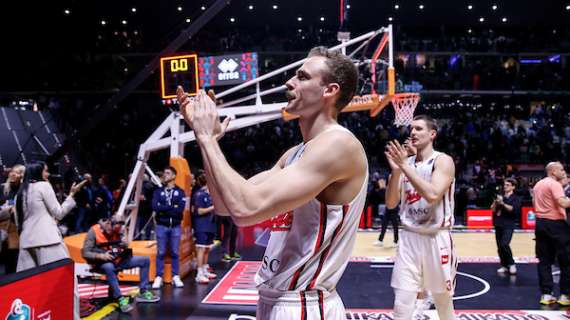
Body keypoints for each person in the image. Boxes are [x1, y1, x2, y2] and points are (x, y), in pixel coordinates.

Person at [177, 46, 367, 320]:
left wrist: (206, 138)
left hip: (304, 305)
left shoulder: (339, 144)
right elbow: (225, 206)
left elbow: (246, 211)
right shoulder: (294, 154)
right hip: (277, 300)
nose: (288, 82)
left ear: (329, 91)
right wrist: (208, 142)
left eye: (302, 77)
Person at [385, 115, 457, 320]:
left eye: (418, 129)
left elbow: (433, 194)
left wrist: (405, 167)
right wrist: (397, 172)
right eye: (411, 129)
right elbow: (391, 203)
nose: (412, 133)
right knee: (402, 303)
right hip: (409, 237)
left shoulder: (442, 161)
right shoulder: (404, 164)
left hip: (437, 237)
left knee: (443, 302)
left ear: (432, 134)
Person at [15, 162, 86, 320]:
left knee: (30, 290)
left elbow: (18, 222)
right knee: (65, 284)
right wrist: (72, 194)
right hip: (49, 242)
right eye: (46, 171)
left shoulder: (20, 192)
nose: (48, 175)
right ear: (38, 172)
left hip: (26, 244)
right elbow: (59, 213)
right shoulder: (43, 186)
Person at [82, 216, 160, 313]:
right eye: (112, 230)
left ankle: (143, 292)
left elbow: (125, 245)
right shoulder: (94, 231)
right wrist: (101, 256)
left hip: (118, 259)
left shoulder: (120, 229)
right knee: (109, 267)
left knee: (145, 260)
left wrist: (124, 242)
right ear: (108, 224)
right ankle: (119, 298)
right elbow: (85, 252)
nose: (113, 232)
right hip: (101, 262)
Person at [532, 161, 570, 305]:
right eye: (561, 169)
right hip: (556, 224)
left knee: (544, 261)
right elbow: (563, 203)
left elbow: (535, 204)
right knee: (566, 260)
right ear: (553, 171)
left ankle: (546, 294)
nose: (563, 171)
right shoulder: (554, 184)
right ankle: (565, 295)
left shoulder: (538, 185)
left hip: (540, 223)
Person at [151, 166, 186, 289]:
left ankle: (175, 276)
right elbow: (155, 207)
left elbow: (180, 209)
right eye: (164, 173)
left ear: (173, 176)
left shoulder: (180, 191)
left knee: (175, 252)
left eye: (167, 173)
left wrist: (164, 208)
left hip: (175, 226)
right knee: (160, 252)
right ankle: (158, 276)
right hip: (161, 226)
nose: (165, 175)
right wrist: (172, 207)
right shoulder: (158, 191)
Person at [190, 170, 218, 284]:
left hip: (210, 224)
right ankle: (199, 273)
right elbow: (199, 211)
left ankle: (205, 269)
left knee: (207, 248)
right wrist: (213, 207)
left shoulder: (209, 194)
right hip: (201, 225)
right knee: (201, 248)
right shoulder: (199, 195)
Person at [491, 178, 521, 275]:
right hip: (498, 223)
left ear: (513, 187)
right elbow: (492, 209)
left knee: (504, 244)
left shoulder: (516, 198)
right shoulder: (500, 196)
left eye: (508, 185)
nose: (505, 186)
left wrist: (503, 203)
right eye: (504, 184)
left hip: (508, 224)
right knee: (499, 247)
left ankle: (511, 264)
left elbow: (513, 209)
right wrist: (496, 202)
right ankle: (504, 265)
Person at [0, 164, 24, 274]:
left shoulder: (25, 190)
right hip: (6, 230)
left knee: (18, 263)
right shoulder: (3, 189)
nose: (13, 174)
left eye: (18, 172)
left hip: (21, 231)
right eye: (12, 171)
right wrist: (6, 210)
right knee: (9, 263)